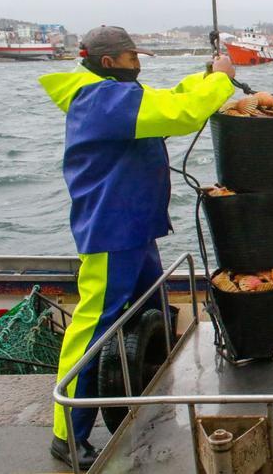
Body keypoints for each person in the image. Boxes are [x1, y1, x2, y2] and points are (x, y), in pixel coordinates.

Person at [40, 26, 235, 467]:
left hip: (135, 227)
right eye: (132, 58)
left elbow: (167, 99)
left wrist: (204, 77)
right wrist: (221, 80)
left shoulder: (114, 93)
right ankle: (67, 434)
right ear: (108, 63)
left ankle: (153, 395)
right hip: (112, 231)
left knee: (155, 312)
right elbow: (180, 114)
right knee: (95, 327)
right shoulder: (102, 100)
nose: (139, 63)